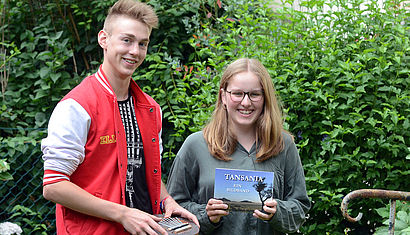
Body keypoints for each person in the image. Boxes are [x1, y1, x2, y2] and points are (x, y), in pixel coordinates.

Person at [41, 0, 198, 234]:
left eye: (142, 43)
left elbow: (145, 174)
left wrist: (167, 202)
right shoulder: (76, 107)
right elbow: (54, 186)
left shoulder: (150, 109)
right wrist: (122, 213)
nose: (135, 51)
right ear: (103, 39)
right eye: (127, 40)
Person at [166, 58, 311, 234]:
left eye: (254, 94)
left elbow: (300, 207)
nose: (246, 103)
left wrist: (278, 211)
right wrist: (206, 215)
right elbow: (173, 209)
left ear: (265, 98)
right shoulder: (195, 145)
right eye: (237, 94)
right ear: (223, 96)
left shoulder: (283, 145)